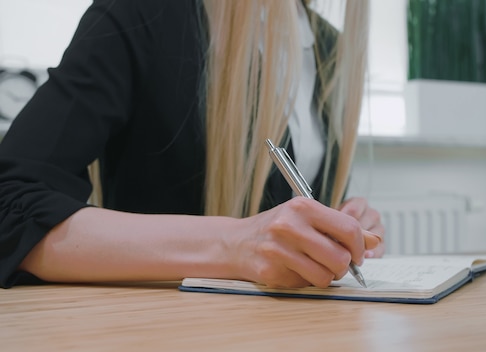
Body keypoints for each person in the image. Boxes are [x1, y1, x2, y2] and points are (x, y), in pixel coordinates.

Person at [0, 0, 384, 289]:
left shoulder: (329, 47)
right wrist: (236, 245)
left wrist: (334, 234)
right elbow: (10, 204)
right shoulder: (143, 12)